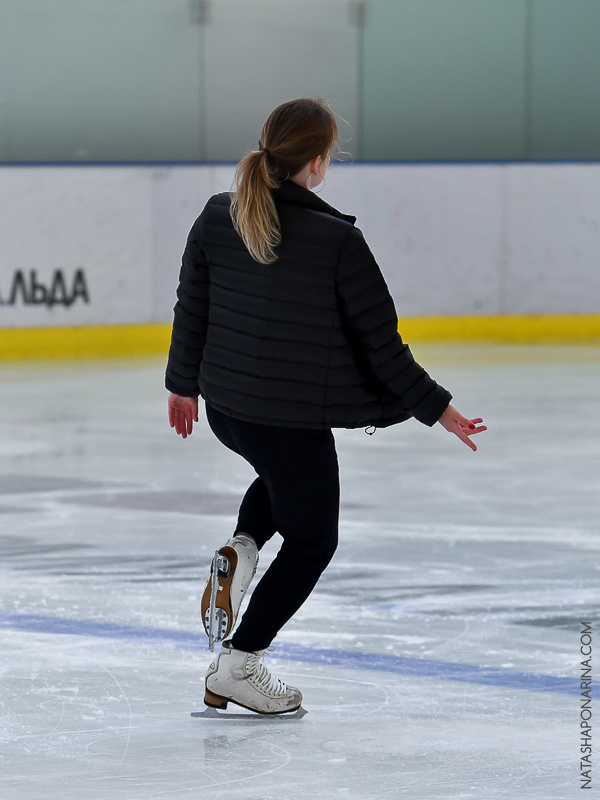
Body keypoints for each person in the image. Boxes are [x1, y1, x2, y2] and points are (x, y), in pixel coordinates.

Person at [165, 97, 486, 716]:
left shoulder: (215, 215)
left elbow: (191, 308)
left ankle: (243, 548)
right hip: (288, 419)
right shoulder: (337, 240)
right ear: (317, 162)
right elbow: (382, 346)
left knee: (281, 480)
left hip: (230, 410)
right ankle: (239, 663)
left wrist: (182, 386)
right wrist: (438, 408)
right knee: (314, 541)